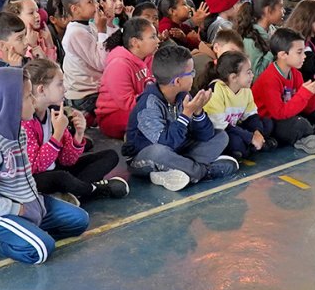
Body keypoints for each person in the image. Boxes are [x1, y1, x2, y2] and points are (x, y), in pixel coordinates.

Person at [0, 67, 89, 264]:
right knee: (41, 250)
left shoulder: (17, 129)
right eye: (28, 96)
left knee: (80, 221)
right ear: (10, 104)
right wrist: (17, 210)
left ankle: (26, 233)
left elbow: (26, 175)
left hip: (28, 202)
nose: (33, 100)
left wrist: (34, 205)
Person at [124, 45, 237, 192]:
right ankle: (203, 172)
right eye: (191, 73)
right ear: (177, 81)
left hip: (178, 151)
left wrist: (198, 112)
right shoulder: (148, 105)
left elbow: (205, 135)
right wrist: (186, 114)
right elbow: (167, 144)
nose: (194, 76)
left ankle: (177, 172)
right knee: (159, 152)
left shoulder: (183, 95)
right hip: (145, 158)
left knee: (221, 136)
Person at [22, 59, 128, 203]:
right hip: (37, 178)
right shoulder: (26, 121)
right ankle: (94, 190)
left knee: (110, 156)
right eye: (59, 84)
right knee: (61, 177)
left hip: (57, 171)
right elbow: (37, 166)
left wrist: (78, 135)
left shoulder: (55, 113)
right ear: (41, 89)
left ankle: (71, 192)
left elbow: (68, 160)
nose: (64, 89)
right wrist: (57, 134)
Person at [252, 27, 315, 154]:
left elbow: (307, 109)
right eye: (299, 52)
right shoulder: (269, 79)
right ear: (283, 55)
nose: (304, 56)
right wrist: (304, 93)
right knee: (298, 125)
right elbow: (279, 113)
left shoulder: (296, 74)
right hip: (272, 122)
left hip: (292, 114)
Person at [96, 17, 158, 139]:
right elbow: (127, 103)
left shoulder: (149, 58)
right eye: (153, 37)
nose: (158, 40)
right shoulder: (119, 65)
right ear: (135, 42)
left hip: (142, 106)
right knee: (153, 117)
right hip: (113, 115)